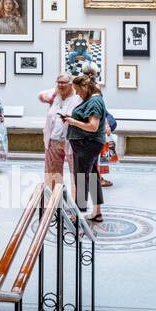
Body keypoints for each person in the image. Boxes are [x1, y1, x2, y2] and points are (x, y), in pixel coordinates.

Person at [67, 71, 107, 222]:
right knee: (92, 176)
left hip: (87, 144)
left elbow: (93, 126)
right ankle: (97, 212)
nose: (77, 94)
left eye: (77, 91)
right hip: (87, 144)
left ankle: (78, 215)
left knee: (81, 178)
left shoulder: (94, 101)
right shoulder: (92, 99)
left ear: (84, 87)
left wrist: (72, 121)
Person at [39, 72, 77, 186]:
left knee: (76, 174)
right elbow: (41, 95)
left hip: (72, 141)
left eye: (64, 83)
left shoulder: (77, 97)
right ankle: (55, 200)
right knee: (53, 175)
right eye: (59, 83)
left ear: (71, 84)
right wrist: (48, 98)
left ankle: (78, 202)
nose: (61, 85)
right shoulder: (56, 95)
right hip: (54, 140)